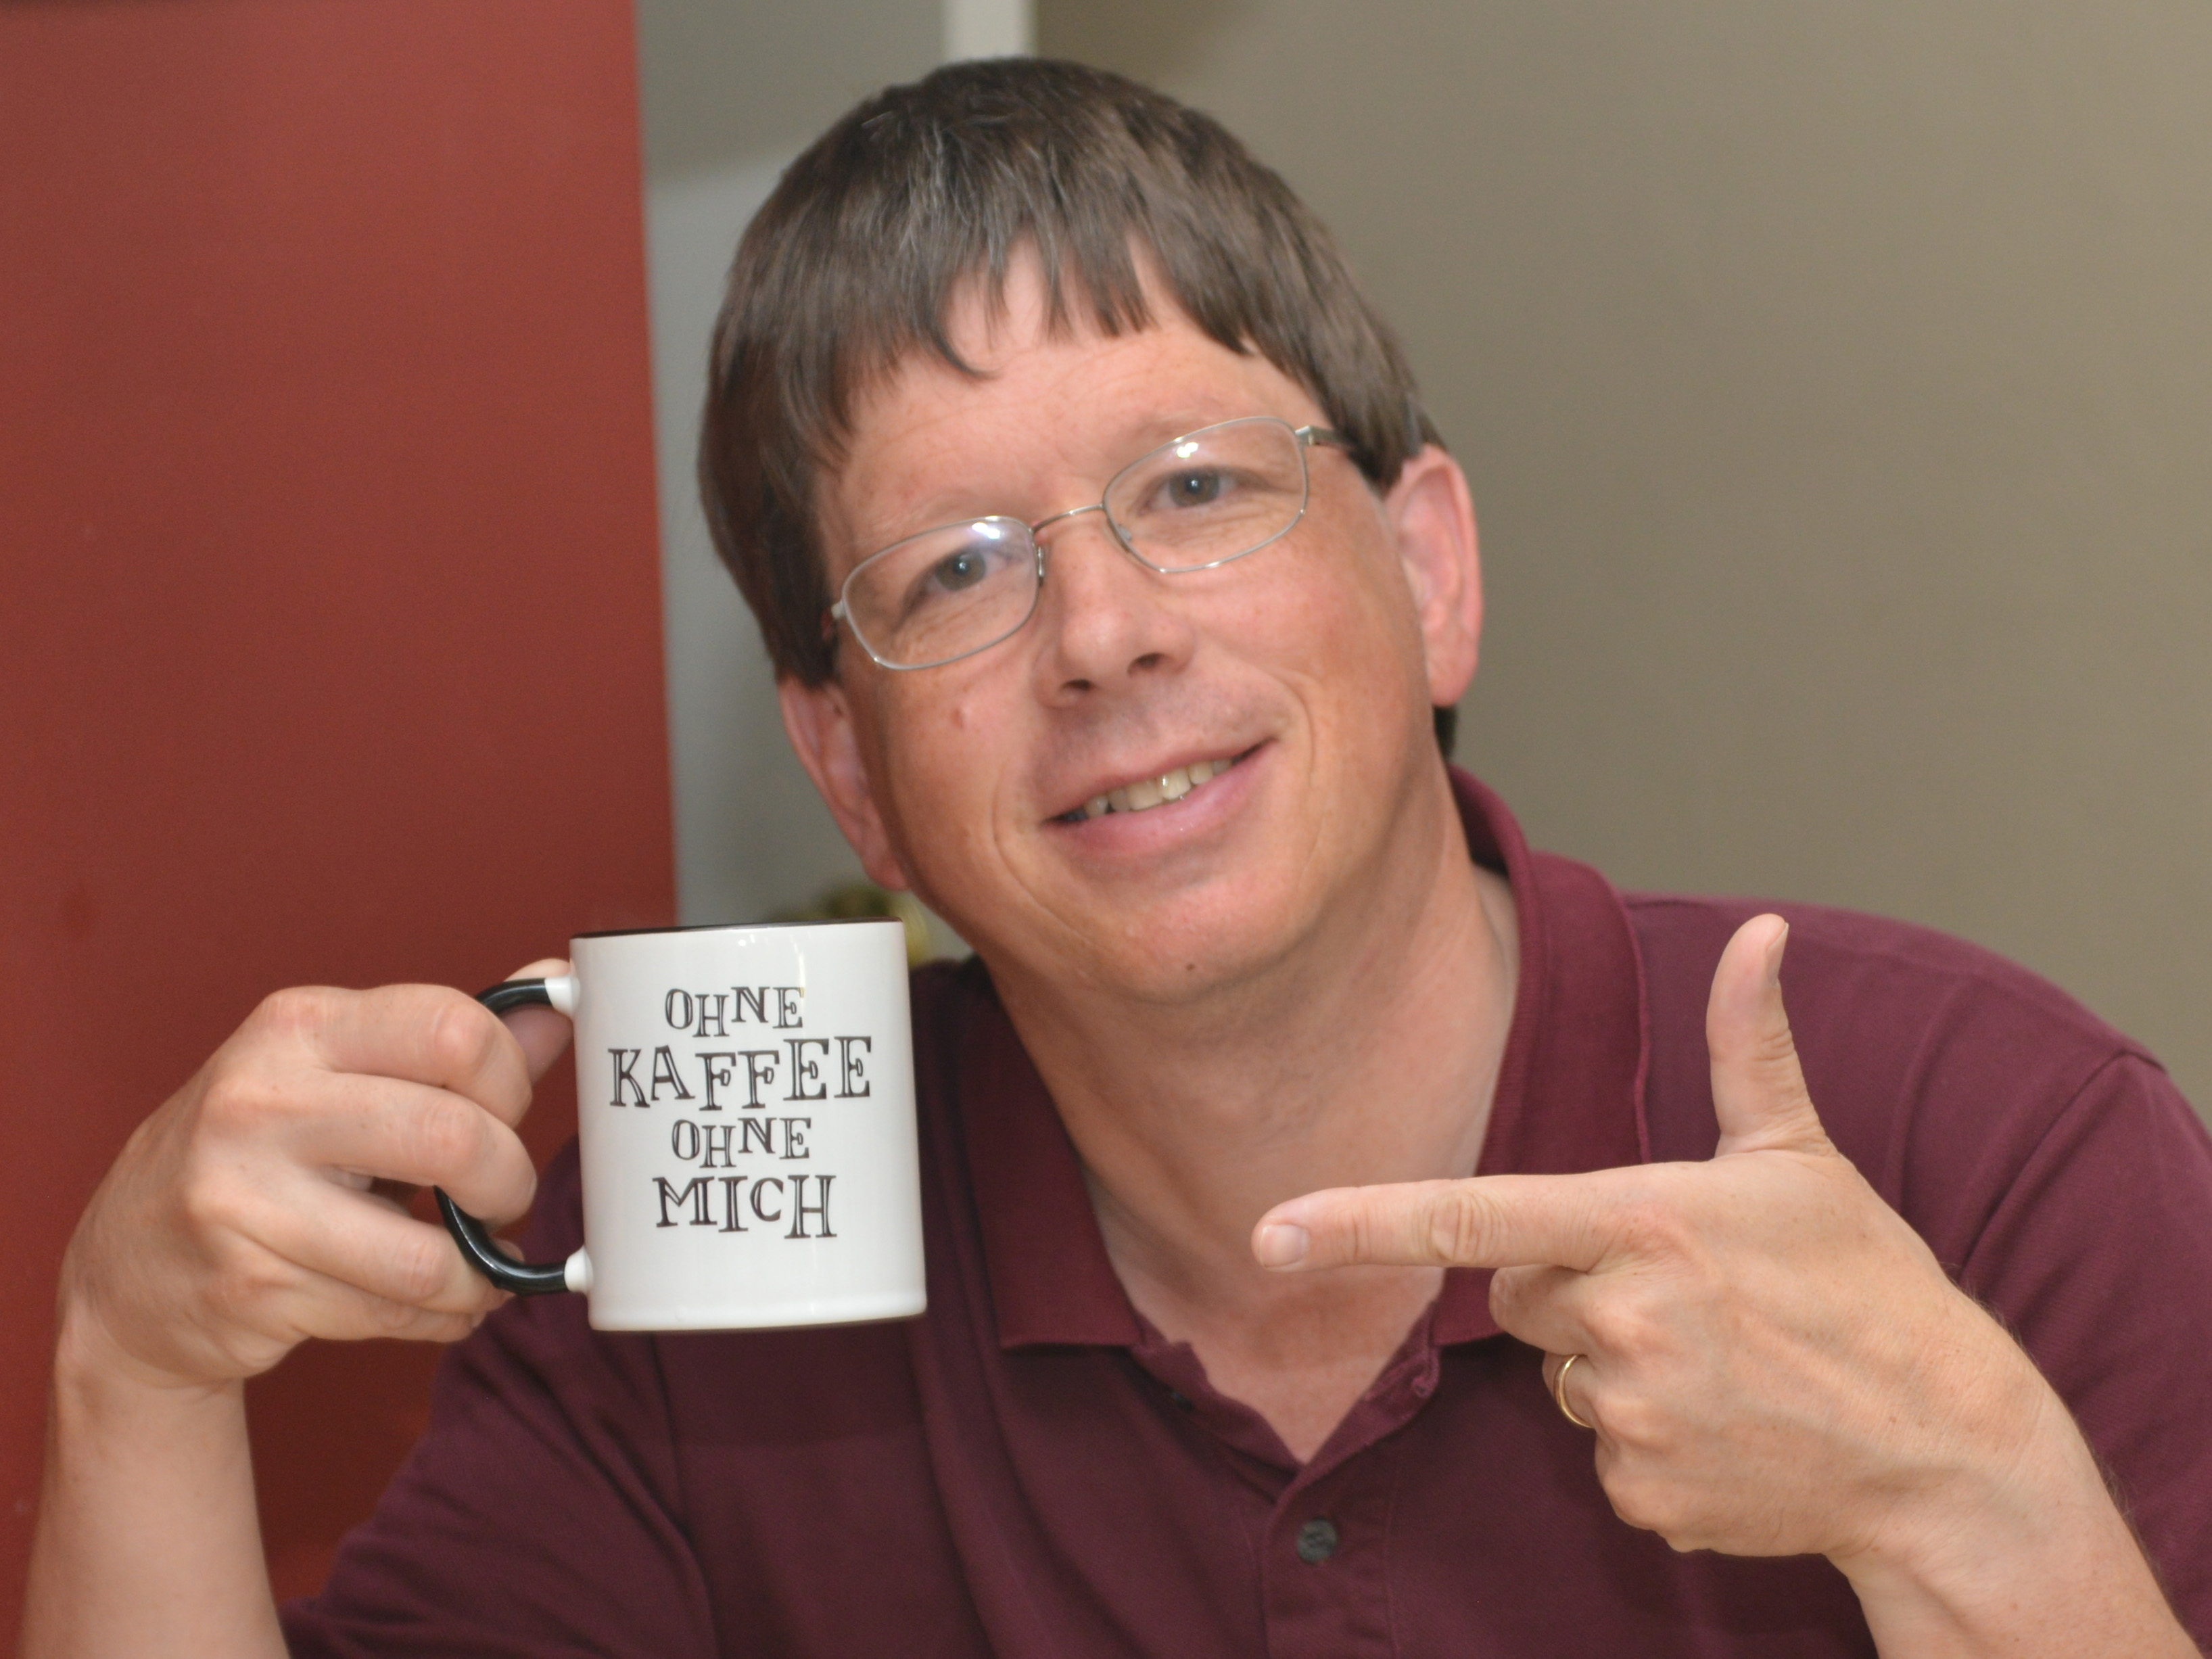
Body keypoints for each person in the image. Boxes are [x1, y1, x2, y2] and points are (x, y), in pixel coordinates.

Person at [22, 60, 2212, 1658]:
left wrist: (1967, 1499)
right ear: (852, 778)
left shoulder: (1977, 1147)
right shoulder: (719, 1253)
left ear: (1429, 570)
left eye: (1192, 489)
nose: (1102, 632)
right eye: (956, 571)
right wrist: (134, 1367)